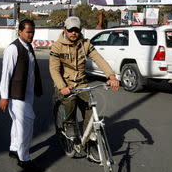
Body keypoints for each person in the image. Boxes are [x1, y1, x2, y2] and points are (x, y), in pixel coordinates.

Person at [49, 16, 119, 163]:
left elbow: (99, 59)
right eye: (70, 30)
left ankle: (90, 145)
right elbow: (54, 69)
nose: (73, 33)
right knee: (70, 99)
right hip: (65, 84)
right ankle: (68, 123)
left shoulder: (85, 44)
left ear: (80, 30)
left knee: (90, 110)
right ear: (65, 30)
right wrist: (62, 87)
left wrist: (111, 76)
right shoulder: (57, 46)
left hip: (82, 84)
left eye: (76, 30)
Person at [0, 19, 44, 172]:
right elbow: (6, 74)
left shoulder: (28, 46)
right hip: (16, 95)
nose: (31, 35)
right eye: (28, 32)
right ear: (20, 32)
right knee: (26, 125)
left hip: (27, 93)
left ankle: (14, 148)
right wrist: (4, 96)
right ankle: (24, 159)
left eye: (33, 32)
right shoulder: (13, 48)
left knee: (17, 123)